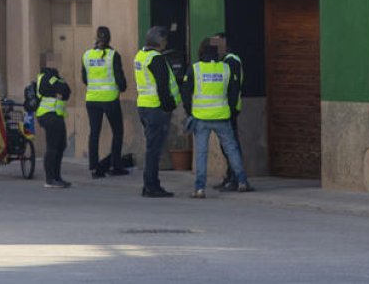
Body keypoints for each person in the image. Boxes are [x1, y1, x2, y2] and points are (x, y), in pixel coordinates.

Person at [184, 34, 251, 197]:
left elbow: (185, 92)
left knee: (201, 153)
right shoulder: (225, 68)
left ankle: (199, 188)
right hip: (222, 116)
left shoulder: (195, 68)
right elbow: (233, 92)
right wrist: (230, 109)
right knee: (232, 149)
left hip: (201, 118)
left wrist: (189, 112)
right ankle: (242, 181)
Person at [133, 26, 180, 198]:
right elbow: (162, 87)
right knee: (154, 149)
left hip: (144, 106)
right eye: (165, 40)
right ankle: (151, 186)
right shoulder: (156, 59)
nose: (166, 43)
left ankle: (150, 184)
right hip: (156, 108)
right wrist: (168, 106)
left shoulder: (140, 56)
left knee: (151, 148)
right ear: (160, 41)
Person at [82, 26, 129, 179]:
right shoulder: (113, 55)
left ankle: (94, 168)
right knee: (118, 132)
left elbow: (84, 78)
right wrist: (122, 87)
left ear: (96, 37)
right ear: (109, 38)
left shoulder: (87, 55)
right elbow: (119, 78)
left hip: (92, 99)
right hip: (110, 100)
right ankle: (116, 166)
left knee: (94, 133)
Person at [212, 33, 248, 191]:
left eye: (217, 43)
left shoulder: (232, 61)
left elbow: (233, 88)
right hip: (223, 109)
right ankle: (230, 175)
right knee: (227, 145)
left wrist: (231, 109)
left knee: (231, 145)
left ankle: (236, 178)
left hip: (229, 110)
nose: (215, 47)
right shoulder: (224, 61)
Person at [36, 60, 72, 188]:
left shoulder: (55, 78)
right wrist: (59, 88)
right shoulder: (46, 77)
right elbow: (61, 88)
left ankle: (57, 177)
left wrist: (60, 88)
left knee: (61, 145)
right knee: (52, 147)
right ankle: (50, 179)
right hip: (48, 115)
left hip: (56, 115)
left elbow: (67, 91)